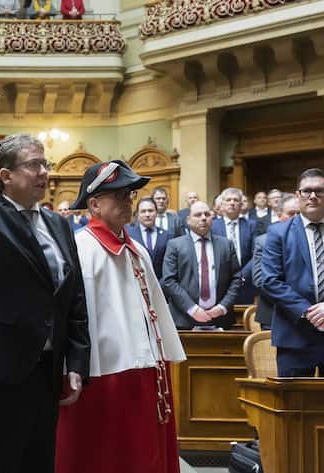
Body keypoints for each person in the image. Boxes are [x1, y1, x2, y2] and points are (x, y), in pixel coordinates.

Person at [0, 71, 90, 473]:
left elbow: (73, 299)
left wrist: (76, 363)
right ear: (6, 176)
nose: (44, 171)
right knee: (2, 465)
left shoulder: (60, 224)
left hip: (47, 369)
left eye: (45, 163)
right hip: (2, 368)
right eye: (34, 165)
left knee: (40, 462)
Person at [56, 160, 185, 473]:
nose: (129, 201)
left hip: (145, 370)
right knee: (106, 454)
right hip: (104, 375)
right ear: (95, 203)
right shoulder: (81, 249)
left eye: (130, 195)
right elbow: (69, 317)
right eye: (120, 196)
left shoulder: (136, 248)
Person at [261, 168, 324, 376]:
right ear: (297, 195)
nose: (313, 196)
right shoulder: (278, 233)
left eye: (320, 190)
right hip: (294, 337)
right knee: (293, 407)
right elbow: (270, 281)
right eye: (307, 191)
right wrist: (311, 312)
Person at [162, 201, 241, 330]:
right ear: (188, 220)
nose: (203, 218)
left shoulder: (226, 245)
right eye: (198, 215)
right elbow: (169, 281)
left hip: (220, 318)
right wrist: (192, 309)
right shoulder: (175, 245)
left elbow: (236, 279)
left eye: (207, 214)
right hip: (185, 319)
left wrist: (222, 307)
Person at [252, 196, 300, 330]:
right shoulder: (263, 241)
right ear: (279, 215)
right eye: (291, 213)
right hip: (272, 312)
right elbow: (259, 279)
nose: (296, 217)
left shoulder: (314, 240)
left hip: (310, 312)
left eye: (300, 213)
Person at [211, 187, 255, 304]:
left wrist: (242, 276)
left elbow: (257, 254)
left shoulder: (252, 226)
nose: (232, 203)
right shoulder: (212, 226)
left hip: (245, 282)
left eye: (236, 200)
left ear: (241, 205)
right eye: (228, 200)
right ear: (221, 205)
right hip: (219, 284)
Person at [125, 197, 169, 279]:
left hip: (161, 285)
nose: (147, 214)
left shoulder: (166, 235)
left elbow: (168, 266)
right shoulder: (129, 234)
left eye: (150, 211)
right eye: (143, 211)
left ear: (156, 213)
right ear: (137, 214)